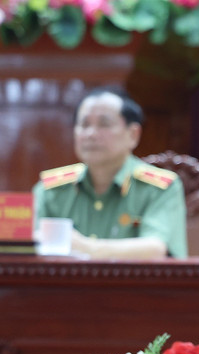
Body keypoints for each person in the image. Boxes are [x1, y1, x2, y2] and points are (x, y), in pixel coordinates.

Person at [33, 87, 187, 259]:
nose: (91, 134)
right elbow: (26, 246)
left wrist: (86, 248)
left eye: (104, 124)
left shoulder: (160, 188)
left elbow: (156, 249)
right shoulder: (51, 190)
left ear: (133, 134)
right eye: (84, 125)